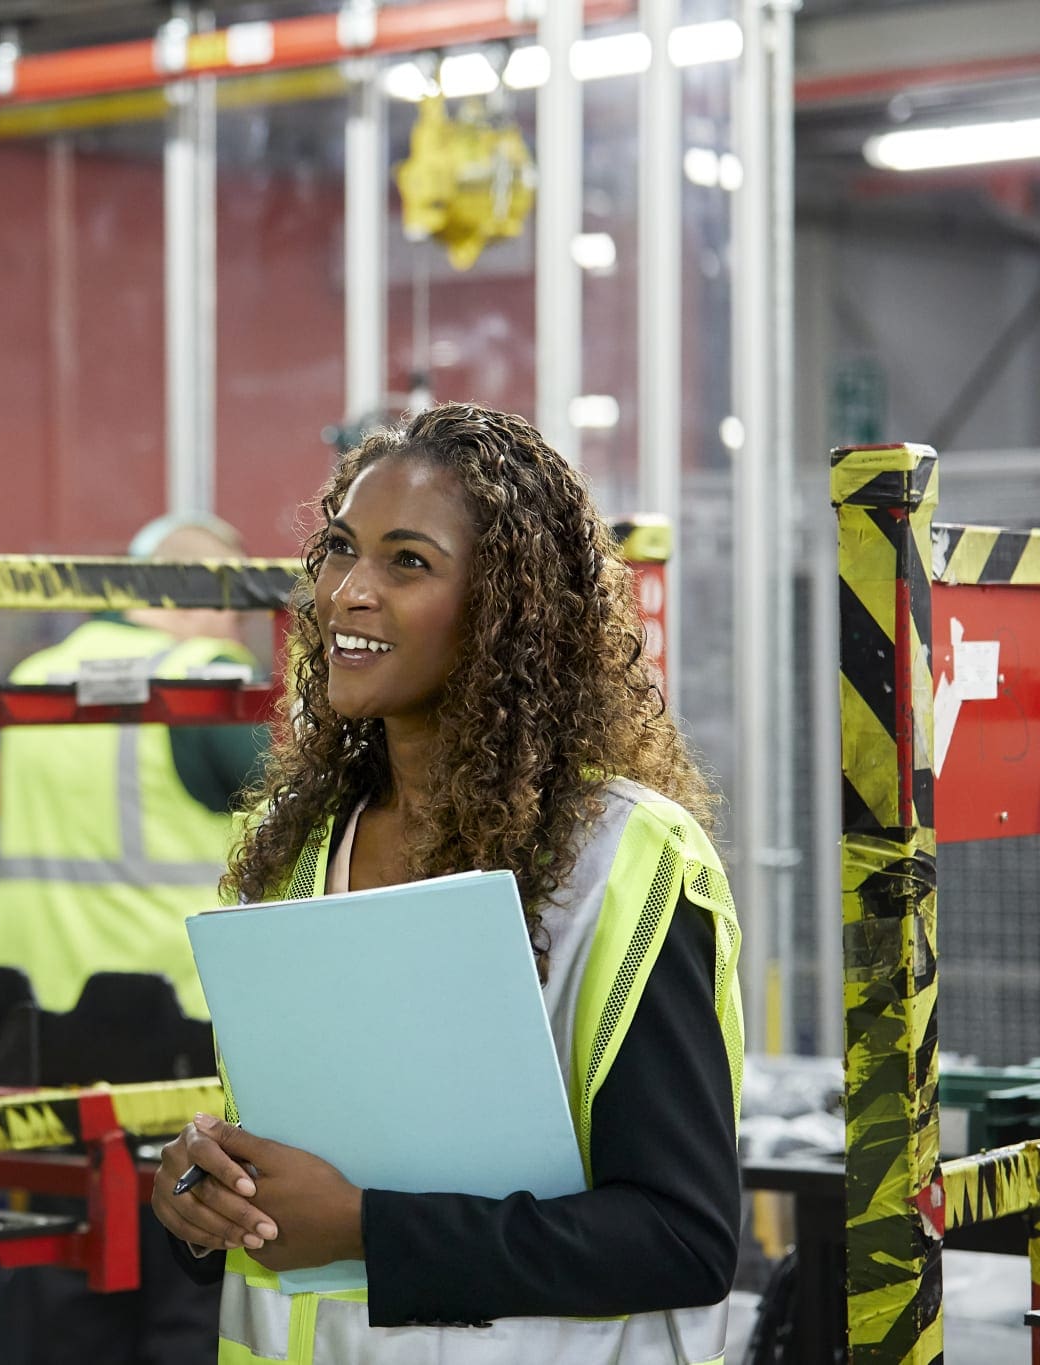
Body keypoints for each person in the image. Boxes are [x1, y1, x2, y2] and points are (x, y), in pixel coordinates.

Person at [151, 403, 743, 1364]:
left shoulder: (624, 863)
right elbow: (283, 1174)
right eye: (340, 550)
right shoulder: (295, 850)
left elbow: (683, 1238)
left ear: (507, 609)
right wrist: (200, 1195)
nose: (347, 592)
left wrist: (368, 1228)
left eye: (407, 562)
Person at [0, 512, 267, 1021]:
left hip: (31, 997)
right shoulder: (203, 672)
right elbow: (299, 796)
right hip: (169, 1001)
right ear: (207, 593)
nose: (235, 628)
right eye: (237, 610)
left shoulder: (37, 674)